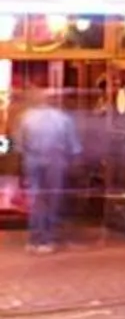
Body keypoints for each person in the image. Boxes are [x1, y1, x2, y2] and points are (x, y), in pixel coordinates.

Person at [18, 95, 79, 254]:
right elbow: (73, 146)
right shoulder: (63, 119)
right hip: (55, 161)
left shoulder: (27, 117)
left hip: (33, 161)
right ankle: (48, 239)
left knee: (36, 200)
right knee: (52, 200)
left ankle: (34, 238)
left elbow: (20, 145)